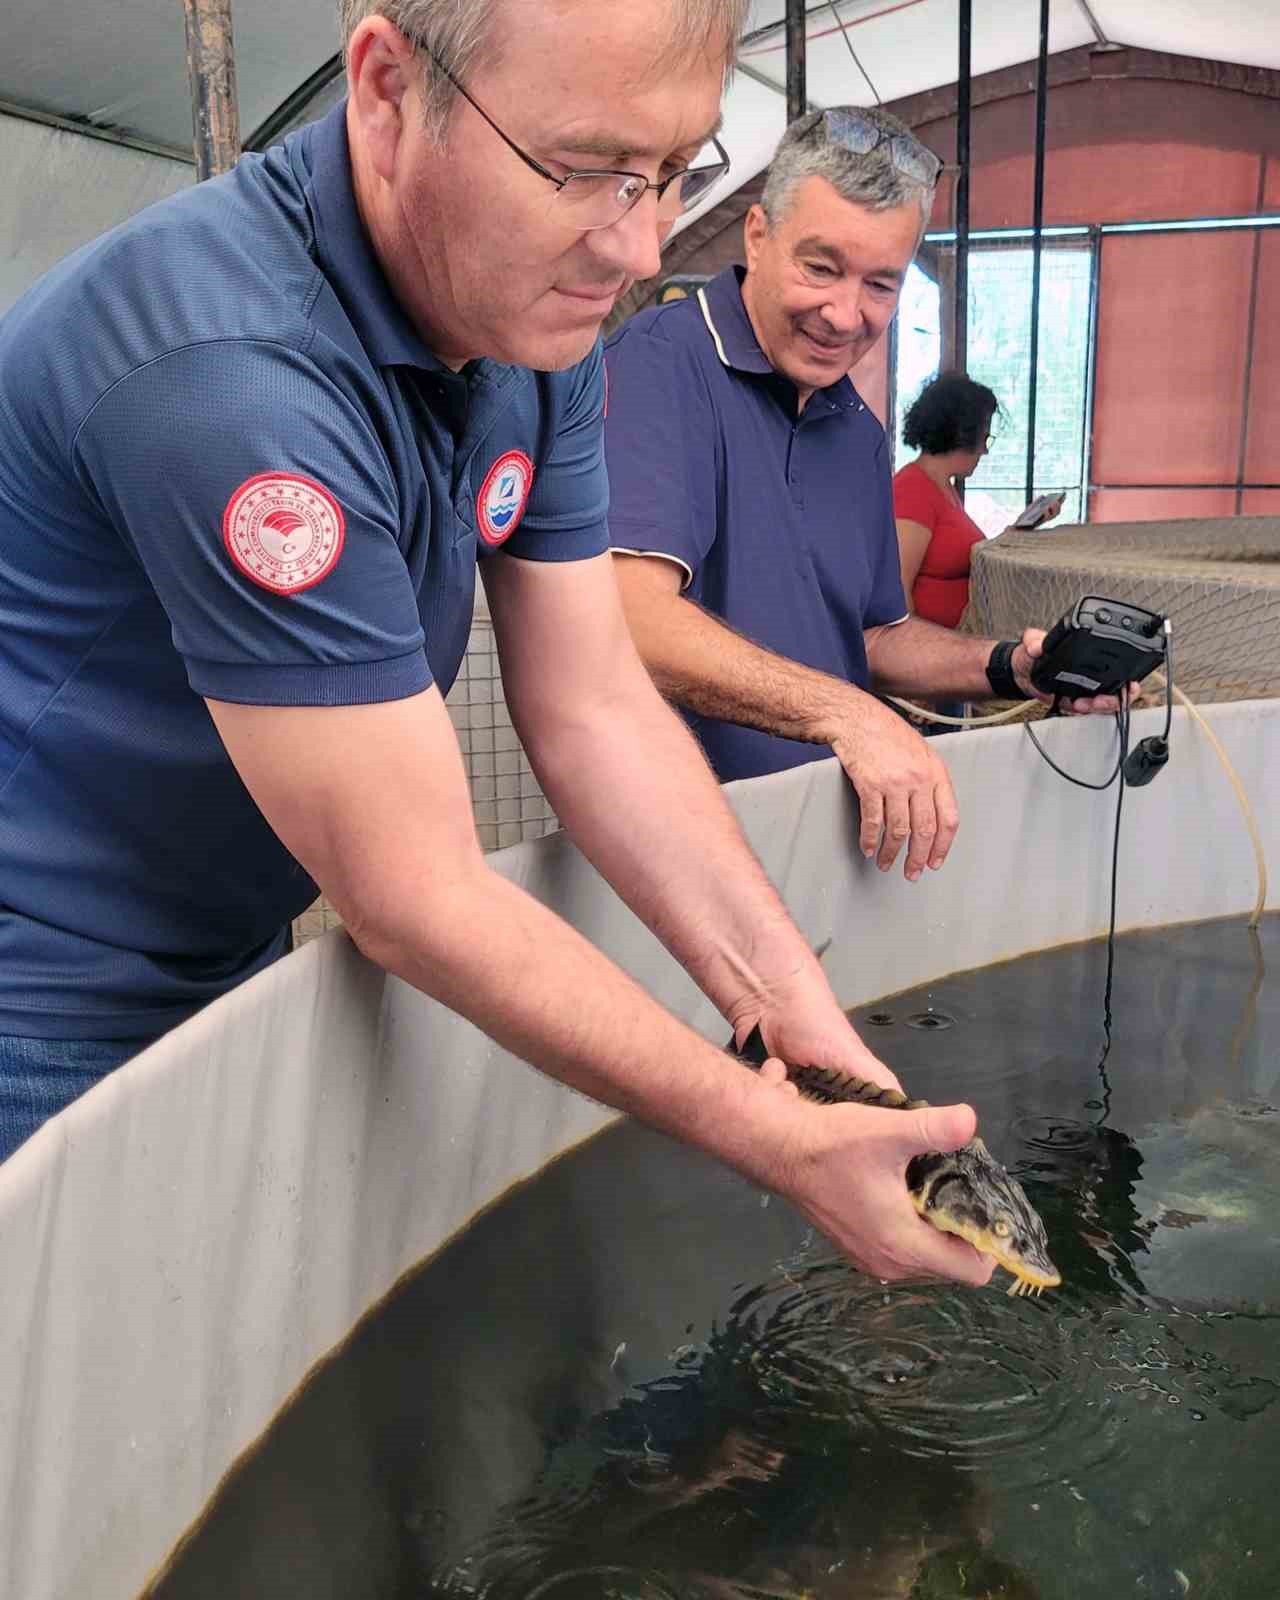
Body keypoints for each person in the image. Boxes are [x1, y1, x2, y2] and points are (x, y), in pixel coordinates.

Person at [0, 0, 992, 1289]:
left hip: (215, 930)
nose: (635, 246)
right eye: (582, 169)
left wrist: (819, 1050)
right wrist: (778, 1141)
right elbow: (411, 893)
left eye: (672, 170)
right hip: (37, 981)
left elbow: (590, 705)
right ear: (383, 89)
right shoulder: (232, 377)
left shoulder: (532, 319)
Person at [603, 107, 1123, 884]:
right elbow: (630, 623)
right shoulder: (656, 370)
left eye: (881, 283)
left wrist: (1013, 665)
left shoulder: (855, 428)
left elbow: (873, 638)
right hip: (682, 859)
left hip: (827, 842)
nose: (846, 315)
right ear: (756, 235)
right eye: (820, 267)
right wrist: (849, 716)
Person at [893, 372, 1061, 628]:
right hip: (936, 650)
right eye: (984, 438)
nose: (985, 450)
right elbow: (897, 591)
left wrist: (1022, 526)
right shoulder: (912, 490)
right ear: (961, 434)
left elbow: (969, 554)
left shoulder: (944, 489)